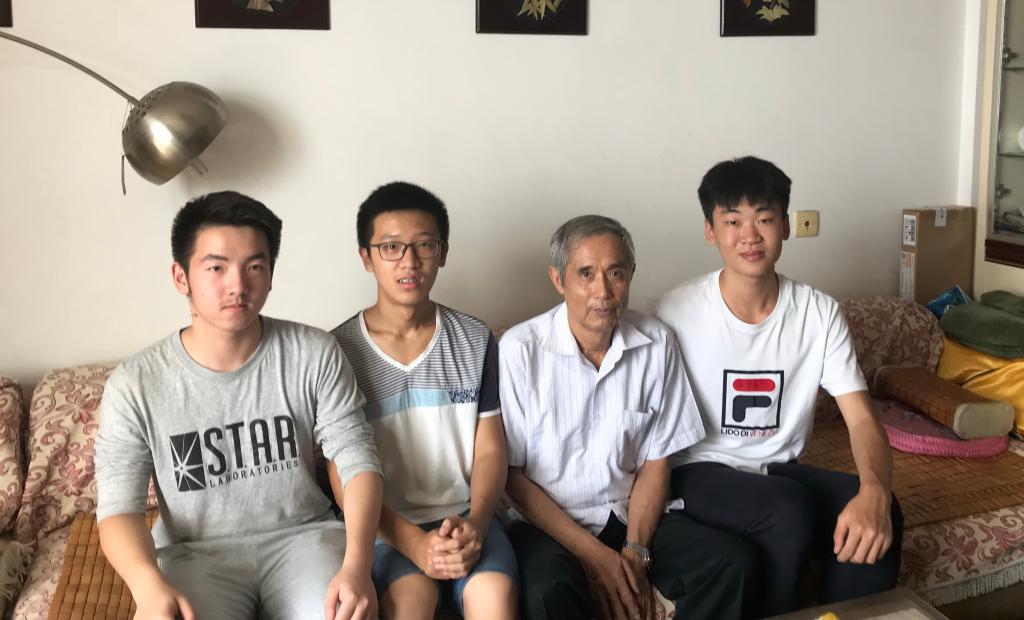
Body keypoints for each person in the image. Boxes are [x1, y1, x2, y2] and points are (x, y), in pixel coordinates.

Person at [95, 191, 383, 620]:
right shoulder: (135, 384)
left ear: (270, 275)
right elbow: (119, 508)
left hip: (304, 540)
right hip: (194, 554)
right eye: (216, 268)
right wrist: (147, 586)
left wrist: (358, 565)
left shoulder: (314, 352)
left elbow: (357, 460)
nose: (238, 285)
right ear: (180, 277)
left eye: (254, 267)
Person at [654, 156, 904, 616]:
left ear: (785, 226)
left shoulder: (818, 313)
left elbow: (861, 419)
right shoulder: (674, 312)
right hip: (697, 471)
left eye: (765, 219)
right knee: (786, 508)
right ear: (710, 231)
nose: (749, 235)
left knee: (881, 509)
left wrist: (874, 489)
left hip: (776, 471)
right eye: (733, 221)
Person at [500, 214, 757, 620]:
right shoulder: (519, 350)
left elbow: (657, 463)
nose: (603, 291)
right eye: (586, 274)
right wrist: (596, 556)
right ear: (558, 279)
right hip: (548, 525)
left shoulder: (657, 342)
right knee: (546, 593)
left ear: (631, 274)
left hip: (626, 513)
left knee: (730, 562)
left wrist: (635, 553)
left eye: (615, 273)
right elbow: (512, 478)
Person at [329, 181, 517, 620]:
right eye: (391, 247)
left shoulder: (475, 339)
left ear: (443, 253)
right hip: (385, 526)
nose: (409, 262)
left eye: (424, 246)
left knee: (493, 598)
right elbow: (341, 471)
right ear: (366, 257)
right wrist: (413, 543)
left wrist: (478, 523)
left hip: (467, 517)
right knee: (410, 602)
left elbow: (490, 450)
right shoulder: (338, 352)